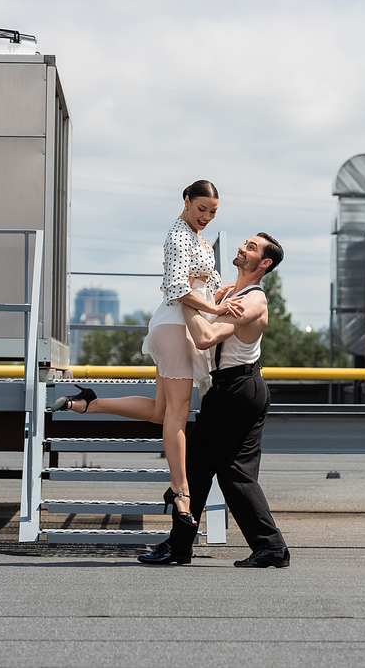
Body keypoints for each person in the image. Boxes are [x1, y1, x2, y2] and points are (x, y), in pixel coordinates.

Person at [51, 180, 243, 528]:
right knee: (178, 414)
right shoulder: (178, 236)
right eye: (201, 209)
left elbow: (206, 284)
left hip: (181, 327)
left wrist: (223, 292)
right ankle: (181, 490)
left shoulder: (197, 237)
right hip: (174, 326)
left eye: (213, 212)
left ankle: (90, 403)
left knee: (160, 411)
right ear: (186, 201)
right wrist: (216, 309)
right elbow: (176, 288)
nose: (206, 217)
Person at [138, 232, 290, 568]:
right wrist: (203, 297)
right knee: (236, 473)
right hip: (241, 389)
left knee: (194, 466)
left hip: (237, 390)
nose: (241, 247)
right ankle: (271, 547)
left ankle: (178, 548)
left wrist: (184, 296)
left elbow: (205, 338)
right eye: (245, 243)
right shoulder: (229, 294)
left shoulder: (253, 301)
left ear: (264, 263)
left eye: (251, 247)